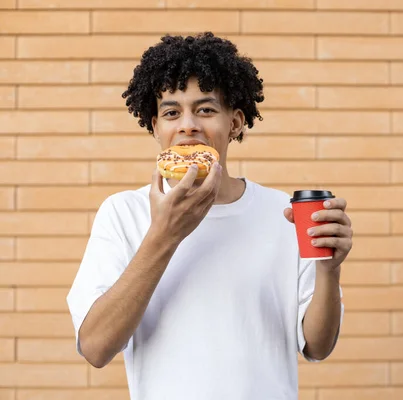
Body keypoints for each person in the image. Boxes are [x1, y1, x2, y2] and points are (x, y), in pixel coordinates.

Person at [66, 32, 353, 399]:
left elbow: (317, 346)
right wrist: (164, 235)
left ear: (234, 123)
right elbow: (95, 348)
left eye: (205, 109)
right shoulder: (123, 213)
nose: (188, 125)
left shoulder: (282, 213)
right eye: (171, 112)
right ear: (155, 127)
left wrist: (329, 268)